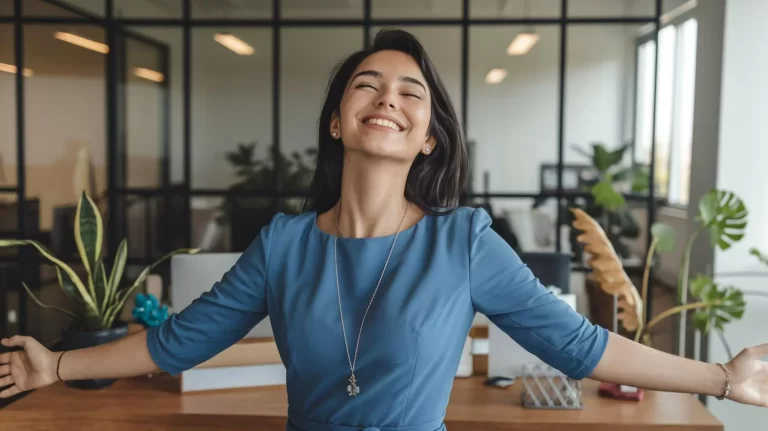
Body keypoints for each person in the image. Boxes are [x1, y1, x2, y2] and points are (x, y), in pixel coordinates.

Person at [1, 28, 766, 430]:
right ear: (337, 119)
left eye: (412, 92)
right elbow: (180, 341)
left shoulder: (463, 241)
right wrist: (55, 367)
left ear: (428, 135)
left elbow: (578, 345)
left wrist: (723, 378)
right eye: (367, 84)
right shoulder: (283, 244)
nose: (388, 98)